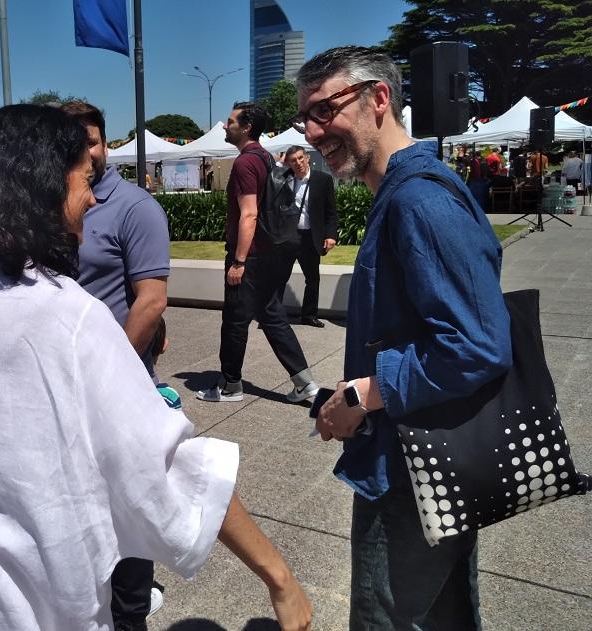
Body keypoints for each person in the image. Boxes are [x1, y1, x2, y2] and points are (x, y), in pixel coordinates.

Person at [0, 104, 312, 631]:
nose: (91, 199)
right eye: (81, 182)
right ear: (40, 192)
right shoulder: (66, 315)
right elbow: (161, 462)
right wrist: (278, 575)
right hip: (25, 606)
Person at [294, 46, 511, 629]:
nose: (314, 132)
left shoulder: (419, 198)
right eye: (305, 119)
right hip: (421, 462)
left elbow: (477, 344)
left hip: (412, 473)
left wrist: (364, 395)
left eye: (324, 110)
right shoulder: (404, 192)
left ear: (379, 99)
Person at [62, 100, 170, 630]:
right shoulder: (49, 204)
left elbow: (151, 302)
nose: (89, 152)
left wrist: (114, 375)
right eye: (76, 142)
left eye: (95, 141)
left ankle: (131, 613)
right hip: (60, 385)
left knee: (127, 506)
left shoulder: (135, 207)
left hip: (119, 380)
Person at [197, 101, 319, 404]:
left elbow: (248, 214)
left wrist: (238, 261)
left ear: (246, 127)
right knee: (272, 314)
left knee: (235, 320)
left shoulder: (244, 163)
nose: (225, 126)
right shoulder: (265, 158)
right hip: (270, 252)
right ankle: (304, 382)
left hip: (249, 256)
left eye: (230, 121)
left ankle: (230, 385)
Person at [280, 145, 338, 328]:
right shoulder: (282, 180)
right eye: (293, 160)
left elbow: (331, 211)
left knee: (313, 279)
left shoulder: (323, 180)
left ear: (307, 158)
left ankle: (309, 315)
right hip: (288, 237)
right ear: (288, 163)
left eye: (300, 158)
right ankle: (274, 315)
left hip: (310, 237)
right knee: (280, 277)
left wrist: (331, 235)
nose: (298, 163)